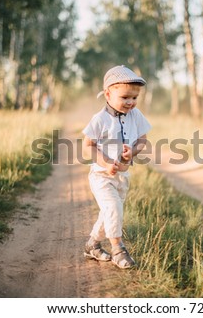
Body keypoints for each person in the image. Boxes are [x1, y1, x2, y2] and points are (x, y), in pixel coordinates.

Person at [82, 65, 151, 269]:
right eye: (125, 97)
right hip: (101, 176)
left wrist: (134, 152)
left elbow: (143, 139)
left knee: (110, 212)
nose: (131, 102)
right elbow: (88, 145)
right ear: (108, 93)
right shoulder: (100, 119)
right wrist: (105, 162)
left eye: (134, 97)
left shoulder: (135, 115)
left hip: (122, 176)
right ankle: (118, 249)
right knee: (113, 208)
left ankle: (92, 245)